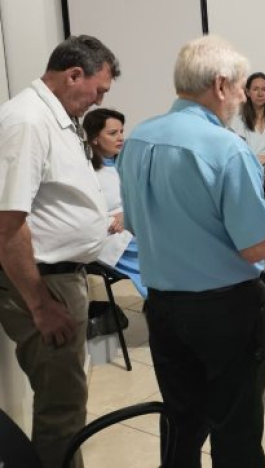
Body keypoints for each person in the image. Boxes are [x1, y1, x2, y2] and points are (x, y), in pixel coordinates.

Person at [118, 36, 265, 468]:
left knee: (182, 420)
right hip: (225, 311)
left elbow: (135, 225)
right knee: (236, 427)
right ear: (220, 84)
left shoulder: (138, 138)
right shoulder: (226, 149)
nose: (242, 96)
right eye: (240, 87)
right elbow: (259, 245)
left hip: (161, 306)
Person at [0, 34, 119, 468]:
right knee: (61, 407)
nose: (98, 100)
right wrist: (40, 305)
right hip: (43, 282)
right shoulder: (28, 121)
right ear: (74, 75)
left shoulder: (56, 118)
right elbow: (7, 225)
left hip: (61, 276)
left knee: (67, 399)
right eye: (98, 90)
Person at [83, 108, 146, 298]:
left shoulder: (126, 164)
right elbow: (85, 215)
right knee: (156, 251)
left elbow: (141, 198)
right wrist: (117, 218)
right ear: (94, 138)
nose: (120, 138)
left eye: (121, 131)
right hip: (110, 235)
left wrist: (128, 214)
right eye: (112, 133)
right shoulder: (86, 173)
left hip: (132, 224)